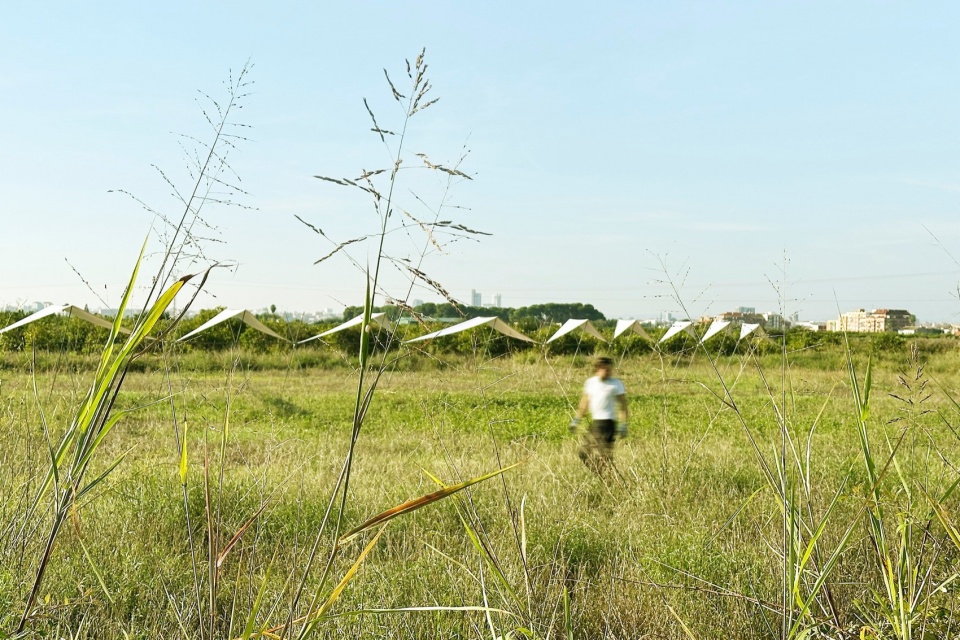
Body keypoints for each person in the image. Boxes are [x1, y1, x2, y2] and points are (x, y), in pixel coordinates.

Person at [569, 356, 629, 473]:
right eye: (605, 369)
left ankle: (609, 480)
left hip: (608, 424)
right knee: (583, 453)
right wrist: (576, 420)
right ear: (598, 369)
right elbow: (584, 403)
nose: (608, 372)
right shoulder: (590, 383)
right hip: (595, 423)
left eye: (610, 370)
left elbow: (623, 406)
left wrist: (623, 425)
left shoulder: (616, 384)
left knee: (604, 456)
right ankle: (603, 476)